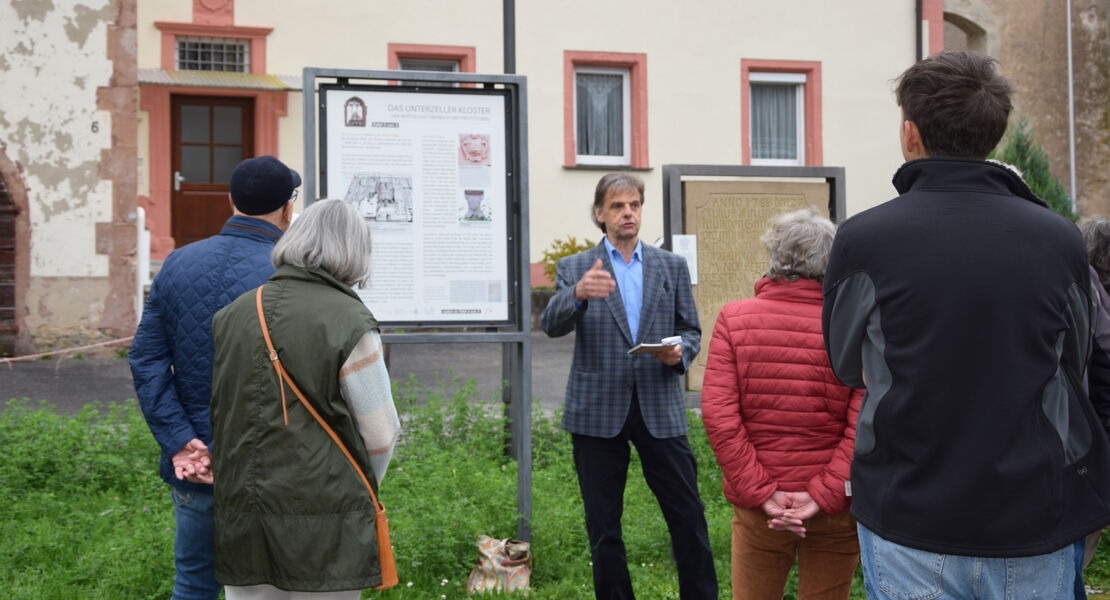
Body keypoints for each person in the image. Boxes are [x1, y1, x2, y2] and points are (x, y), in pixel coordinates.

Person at [822, 50, 1110, 598]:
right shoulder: (1059, 238)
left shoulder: (864, 239)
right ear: (994, 136)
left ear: (910, 135)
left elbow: (847, 364)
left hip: (910, 510)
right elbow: (1071, 359)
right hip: (1034, 510)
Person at [209, 198, 401, 599]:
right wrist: (360, 487)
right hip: (327, 518)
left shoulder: (234, 314)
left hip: (243, 507)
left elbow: (223, 413)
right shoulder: (350, 320)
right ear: (355, 252)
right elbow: (381, 434)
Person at [129, 154, 300, 600]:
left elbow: (145, 360)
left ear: (230, 200)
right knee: (271, 589)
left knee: (192, 584)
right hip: (272, 466)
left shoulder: (178, 262)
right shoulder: (291, 276)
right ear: (288, 209)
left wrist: (181, 440)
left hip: (196, 463)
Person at [540, 172, 717, 599]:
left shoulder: (669, 266)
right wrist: (577, 295)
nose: (628, 213)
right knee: (604, 527)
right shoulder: (576, 267)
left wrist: (680, 352)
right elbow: (550, 324)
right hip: (597, 411)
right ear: (600, 214)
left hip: (660, 407)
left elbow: (690, 330)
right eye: (618, 206)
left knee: (688, 516)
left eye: (635, 205)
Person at [702, 208, 862, 600]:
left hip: (760, 508)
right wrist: (824, 493)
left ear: (775, 257)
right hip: (834, 507)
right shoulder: (849, 326)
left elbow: (719, 416)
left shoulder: (734, 319)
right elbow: (864, 422)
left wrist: (763, 493)